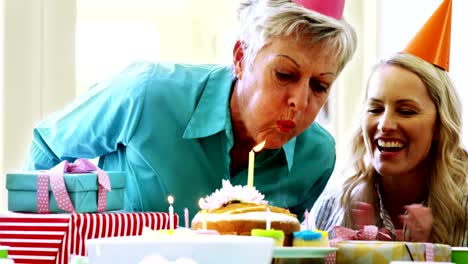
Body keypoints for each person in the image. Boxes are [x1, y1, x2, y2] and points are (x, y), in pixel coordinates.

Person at [25, 0, 357, 219]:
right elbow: (46, 146)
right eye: (284, 75)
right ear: (241, 58)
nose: (300, 101)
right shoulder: (146, 94)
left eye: (319, 86)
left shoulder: (317, 157)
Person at [311, 0, 467, 246]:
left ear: (439, 126)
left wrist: (430, 253)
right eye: (375, 108)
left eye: (406, 111)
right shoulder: (336, 203)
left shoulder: (463, 207)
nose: (385, 124)